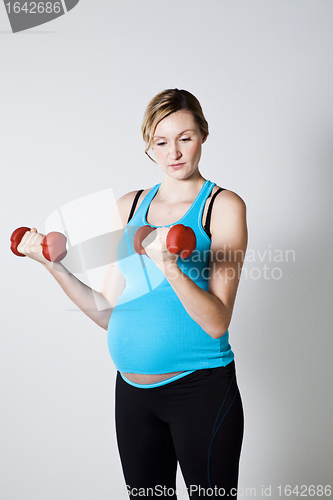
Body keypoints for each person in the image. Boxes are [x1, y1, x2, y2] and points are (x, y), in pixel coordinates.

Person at [17, 89, 248, 499]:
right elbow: (107, 311)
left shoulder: (222, 206)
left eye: (185, 137)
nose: (174, 152)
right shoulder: (129, 207)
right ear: (148, 146)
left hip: (201, 391)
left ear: (203, 136)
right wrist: (52, 265)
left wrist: (171, 268)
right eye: (161, 142)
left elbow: (217, 322)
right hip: (133, 397)